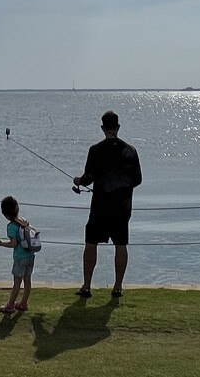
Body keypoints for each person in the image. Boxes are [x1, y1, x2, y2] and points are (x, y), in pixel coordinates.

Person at [72, 110, 142, 298]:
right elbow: (137, 179)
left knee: (91, 243)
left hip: (100, 207)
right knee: (121, 245)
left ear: (102, 128)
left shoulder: (96, 150)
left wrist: (78, 181)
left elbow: (88, 178)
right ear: (118, 127)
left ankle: (87, 286)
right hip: (122, 207)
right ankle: (118, 287)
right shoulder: (131, 151)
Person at [0, 195, 35, 314]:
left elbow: (13, 244)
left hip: (20, 258)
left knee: (17, 283)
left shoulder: (11, 227)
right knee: (27, 280)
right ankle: (23, 303)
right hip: (30, 255)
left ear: (5, 215)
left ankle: (11, 305)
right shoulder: (24, 221)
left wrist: (2, 244)